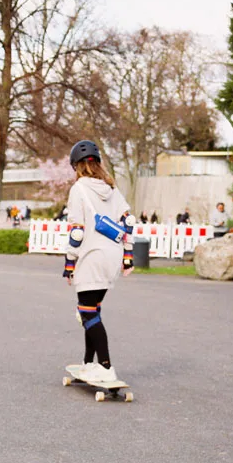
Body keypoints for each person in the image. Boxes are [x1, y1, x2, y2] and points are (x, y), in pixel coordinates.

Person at [62, 139, 133, 384]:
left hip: (91, 256)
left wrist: (69, 263)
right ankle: (88, 363)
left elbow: (77, 232)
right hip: (112, 256)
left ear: (76, 165)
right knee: (93, 310)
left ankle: (105, 366)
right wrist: (128, 256)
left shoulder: (79, 189)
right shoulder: (112, 188)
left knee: (86, 312)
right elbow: (128, 222)